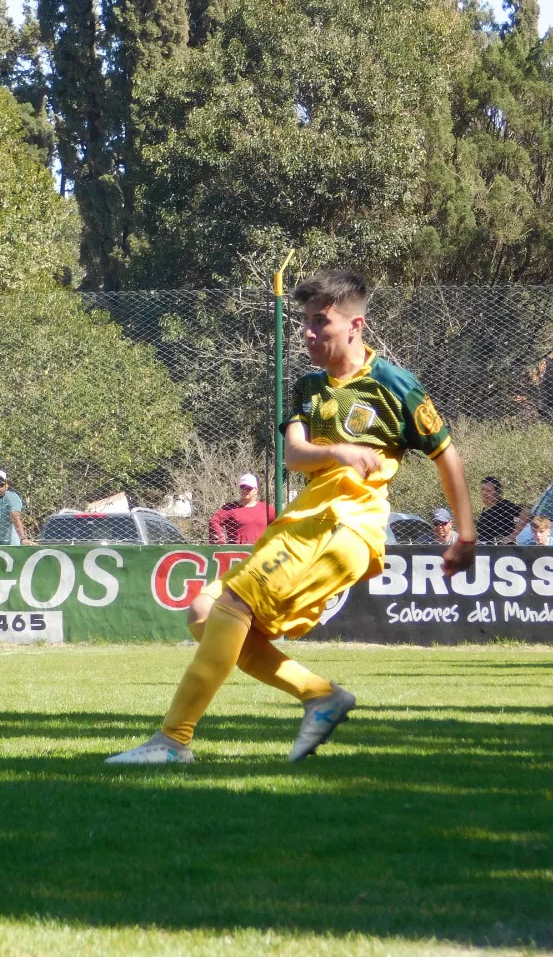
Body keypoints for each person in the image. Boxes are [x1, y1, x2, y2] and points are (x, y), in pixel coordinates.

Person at [107, 269, 476, 766]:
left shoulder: (393, 384)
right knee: (203, 613)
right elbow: (295, 455)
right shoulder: (308, 386)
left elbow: (445, 454)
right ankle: (319, 695)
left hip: (345, 526)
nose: (307, 332)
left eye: (319, 322)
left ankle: (173, 741)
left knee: (233, 605)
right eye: (303, 321)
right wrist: (340, 452)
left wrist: (466, 533)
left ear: (354, 326)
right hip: (303, 522)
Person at [207, 474, 277, 545]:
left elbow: (280, 522)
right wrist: (220, 540)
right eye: (243, 487)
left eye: (249, 488)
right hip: (238, 552)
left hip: (260, 552)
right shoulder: (230, 508)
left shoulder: (265, 508)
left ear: (256, 489)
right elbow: (214, 521)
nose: (245, 490)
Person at [475, 476, 528, 544]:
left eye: (489, 490)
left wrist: (512, 535)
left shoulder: (503, 505)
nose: (485, 493)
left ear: (497, 492)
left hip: (499, 547)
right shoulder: (485, 510)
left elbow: (526, 512)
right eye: (482, 489)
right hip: (485, 547)